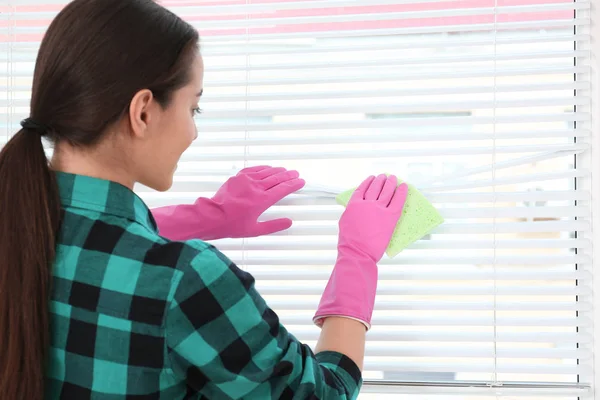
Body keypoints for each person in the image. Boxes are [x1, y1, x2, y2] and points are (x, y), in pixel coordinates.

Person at [0, 0, 408, 399]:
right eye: (193, 108)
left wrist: (210, 215)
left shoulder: (17, 218)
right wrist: (357, 258)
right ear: (143, 111)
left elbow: (96, 238)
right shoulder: (186, 279)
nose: (193, 132)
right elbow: (325, 393)